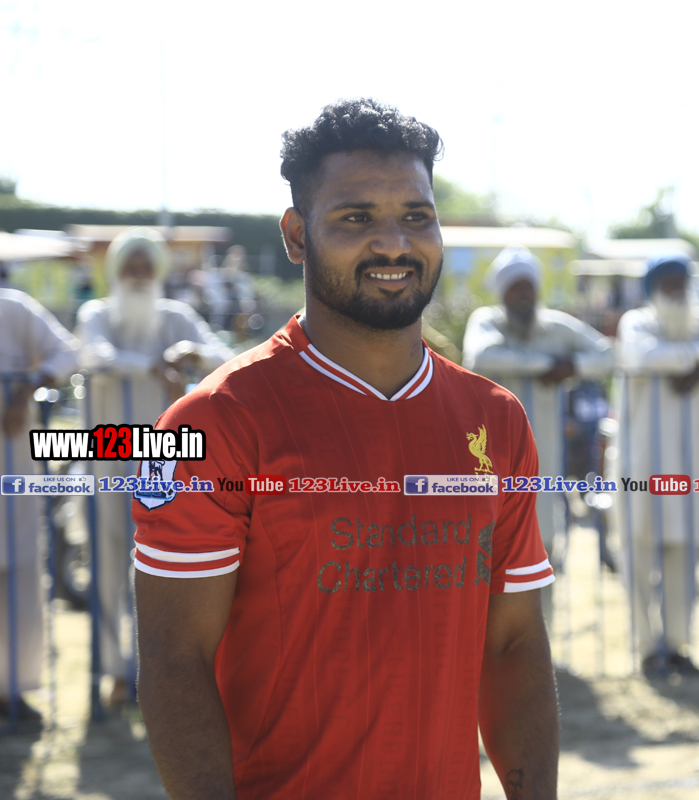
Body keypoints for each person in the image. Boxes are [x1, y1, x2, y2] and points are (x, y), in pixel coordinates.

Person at [132, 99, 558, 799]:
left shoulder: (495, 421)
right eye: (356, 218)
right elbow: (175, 660)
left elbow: (512, 644)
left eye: (416, 216)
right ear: (297, 236)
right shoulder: (209, 424)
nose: (393, 244)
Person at [75, 226, 235, 706]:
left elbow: (224, 357)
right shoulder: (97, 313)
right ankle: (116, 672)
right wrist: (150, 366)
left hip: (166, 463)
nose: (140, 274)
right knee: (108, 565)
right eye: (132, 265)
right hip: (108, 459)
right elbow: (95, 356)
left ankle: (162, 672)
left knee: (167, 567)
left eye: (148, 266)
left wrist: (192, 354)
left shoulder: (176, 316)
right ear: (117, 270)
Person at [463, 246, 613, 631]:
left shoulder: (556, 327)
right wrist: (547, 365)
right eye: (515, 288)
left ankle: (539, 642)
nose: (523, 295)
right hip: (491, 461)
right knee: (492, 552)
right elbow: (482, 357)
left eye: (528, 287)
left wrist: (573, 366)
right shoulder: (487, 321)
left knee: (542, 548)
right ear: (502, 293)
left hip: (543, 459)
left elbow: (607, 354)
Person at [609, 253, 699, 675]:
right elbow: (646, 357)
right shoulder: (637, 322)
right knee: (638, 554)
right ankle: (648, 649)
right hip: (638, 466)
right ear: (652, 289)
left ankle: (679, 646)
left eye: (681, 280)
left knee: (683, 555)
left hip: (686, 466)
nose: (676, 289)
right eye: (666, 282)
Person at [0, 288, 78, 724]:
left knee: (20, 571)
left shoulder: (12, 307)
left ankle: (13, 690)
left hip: (12, 464)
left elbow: (68, 352)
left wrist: (28, 386)